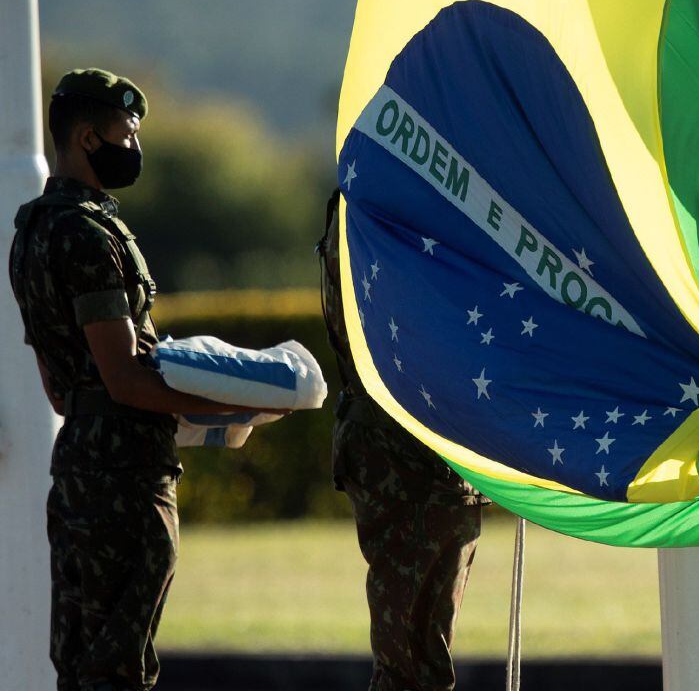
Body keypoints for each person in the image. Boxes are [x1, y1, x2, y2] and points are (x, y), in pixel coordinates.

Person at [8, 68, 279, 691]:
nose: (134, 148)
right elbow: (126, 379)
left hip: (78, 465)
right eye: (125, 134)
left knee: (81, 661)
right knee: (119, 665)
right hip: (124, 479)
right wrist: (232, 403)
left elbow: (58, 382)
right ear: (85, 136)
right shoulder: (88, 236)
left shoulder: (32, 231)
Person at [316, 189, 487, 691]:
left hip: (421, 447)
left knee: (421, 658)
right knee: (411, 665)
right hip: (407, 451)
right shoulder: (388, 194)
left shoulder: (384, 188)